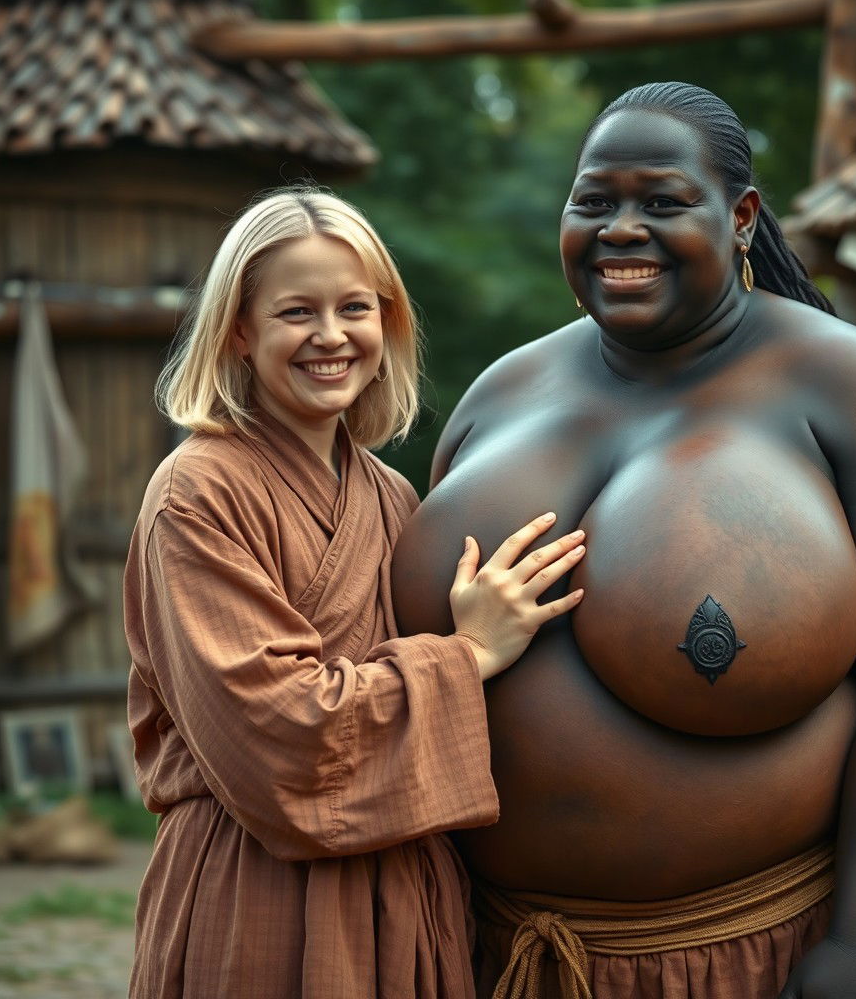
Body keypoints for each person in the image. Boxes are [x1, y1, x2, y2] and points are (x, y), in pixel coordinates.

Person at [390, 83, 856, 999]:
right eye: (593, 202)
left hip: (766, 956)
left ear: (742, 217)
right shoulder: (499, 397)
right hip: (508, 960)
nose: (621, 228)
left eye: (663, 201)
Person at [123, 187, 587, 999]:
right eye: (296, 312)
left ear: (388, 321)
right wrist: (470, 652)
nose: (331, 336)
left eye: (355, 308)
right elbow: (280, 735)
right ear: (238, 329)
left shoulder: (392, 496)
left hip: (405, 887)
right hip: (254, 888)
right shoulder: (195, 493)